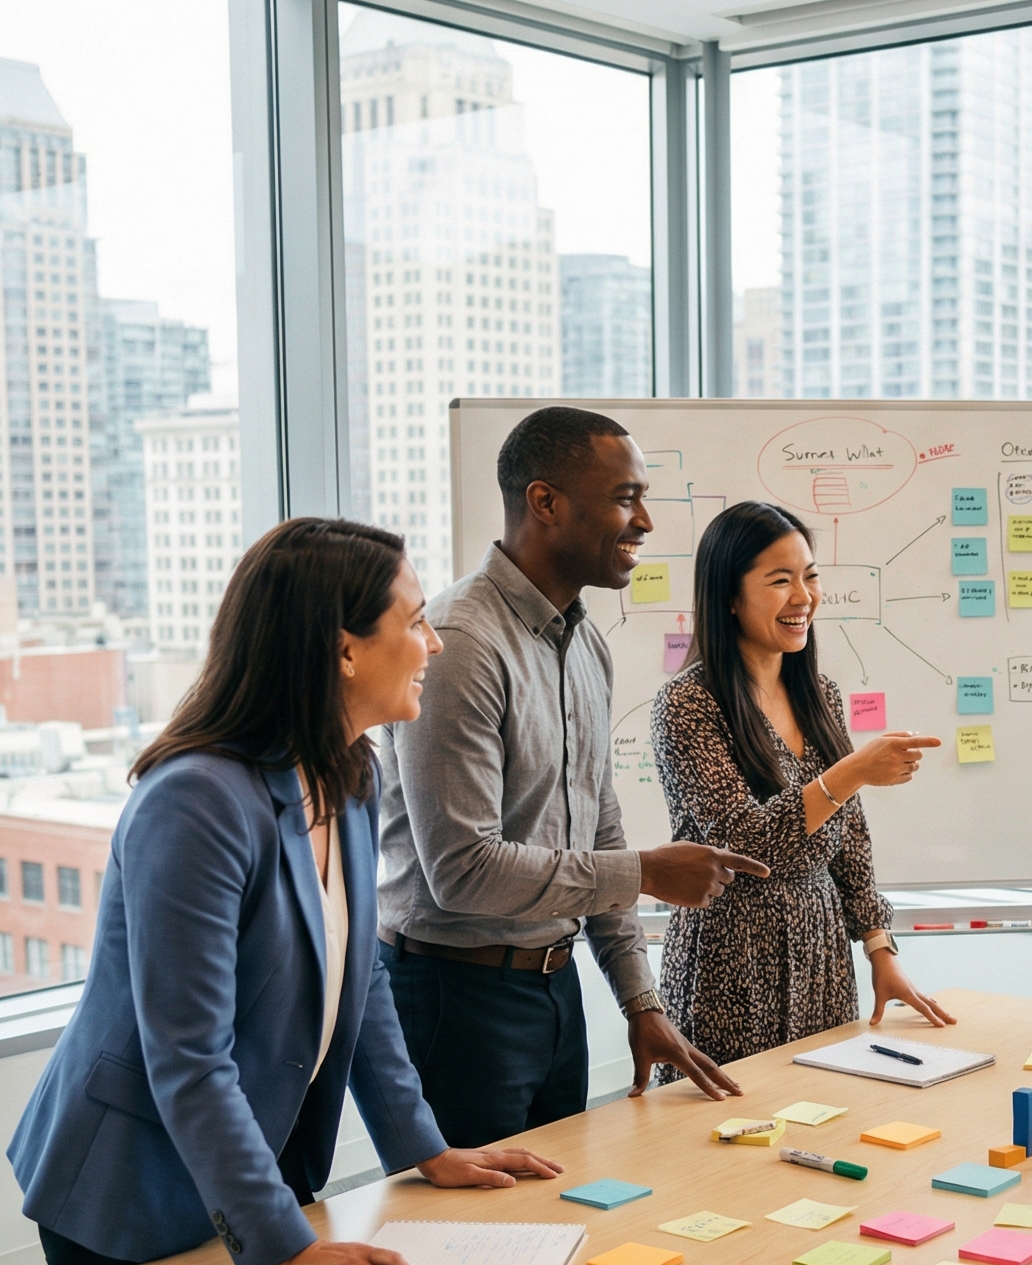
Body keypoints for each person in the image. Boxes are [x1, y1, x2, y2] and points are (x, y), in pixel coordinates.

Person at [9, 518, 559, 1265]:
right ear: (343, 650)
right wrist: (289, 1249)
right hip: (130, 1187)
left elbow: (359, 979)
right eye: (414, 622)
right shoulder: (197, 801)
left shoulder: (352, 771)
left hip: (255, 1168)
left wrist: (424, 1150)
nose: (434, 644)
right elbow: (188, 1057)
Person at [380, 406, 767, 1139]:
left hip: (556, 990)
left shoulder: (586, 643)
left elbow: (600, 827)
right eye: (626, 497)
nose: (645, 521)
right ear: (545, 502)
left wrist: (639, 1002)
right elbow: (462, 871)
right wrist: (645, 873)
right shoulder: (461, 642)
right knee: (476, 1244)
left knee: (559, 1219)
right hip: (455, 996)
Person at [650, 501, 950, 1073]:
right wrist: (852, 771)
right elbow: (746, 845)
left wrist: (879, 948)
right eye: (780, 580)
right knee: (726, 1142)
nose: (803, 597)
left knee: (826, 1114)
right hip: (730, 956)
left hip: (822, 953)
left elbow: (850, 842)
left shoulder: (821, 694)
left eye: (810, 577)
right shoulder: (687, 704)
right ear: (729, 596)